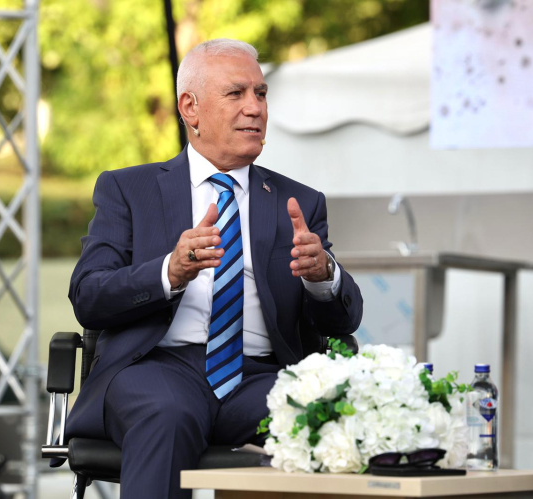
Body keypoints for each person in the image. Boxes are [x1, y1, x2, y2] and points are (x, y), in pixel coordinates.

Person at [64, 38, 363, 498]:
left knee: (338, 417)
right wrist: (169, 272)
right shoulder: (129, 190)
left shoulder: (299, 202)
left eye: (260, 94)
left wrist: (323, 276)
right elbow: (89, 295)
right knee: (168, 414)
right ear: (191, 108)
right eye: (236, 93)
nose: (255, 108)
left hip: (260, 377)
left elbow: (343, 320)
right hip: (157, 366)